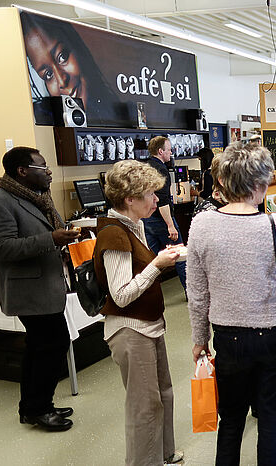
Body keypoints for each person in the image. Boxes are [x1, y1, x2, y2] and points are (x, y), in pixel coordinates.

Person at [187, 142, 276, 465]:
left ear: (223, 181)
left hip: (227, 337)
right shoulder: (274, 224)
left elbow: (197, 294)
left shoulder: (202, 224)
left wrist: (199, 340)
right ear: (260, 185)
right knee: (270, 420)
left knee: (232, 420)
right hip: (273, 336)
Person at [94, 160, 184, 465]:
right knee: (145, 407)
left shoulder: (136, 225)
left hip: (149, 325)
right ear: (129, 199)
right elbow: (121, 295)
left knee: (164, 395)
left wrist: (157, 262)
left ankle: (164, 454)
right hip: (131, 330)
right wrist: (157, 265)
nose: (157, 200)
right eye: (150, 194)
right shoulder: (115, 235)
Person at [0, 147, 80, 432]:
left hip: (44, 285)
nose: (48, 172)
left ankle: (32, 407)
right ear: (22, 171)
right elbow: (2, 248)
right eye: (41, 167)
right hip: (29, 291)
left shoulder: (37, 199)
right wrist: (51, 239)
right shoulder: (3, 202)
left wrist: (61, 244)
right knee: (52, 344)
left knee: (39, 347)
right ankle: (40, 409)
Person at [20, 12, 119, 124]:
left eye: (62, 57)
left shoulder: (118, 113)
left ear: (78, 50)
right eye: (48, 74)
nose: (62, 81)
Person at [142, 136, 187, 290]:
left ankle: (149, 292)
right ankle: (190, 291)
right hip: (161, 219)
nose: (171, 153)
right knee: (179, 255)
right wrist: (170, 225)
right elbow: (162, 201)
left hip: (145, 219)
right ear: (160, 151)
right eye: (169, 150)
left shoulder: (143, 166)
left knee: (151, 260)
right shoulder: (161, 170)